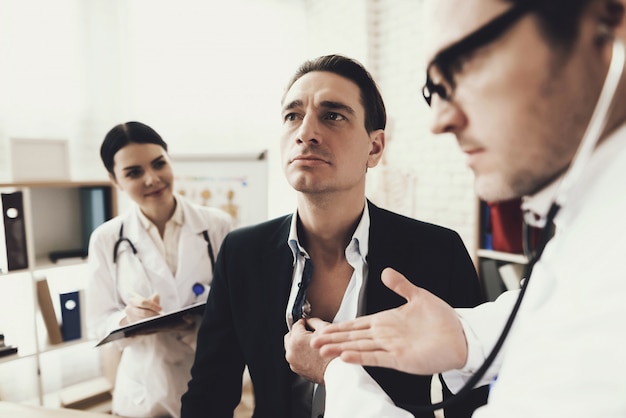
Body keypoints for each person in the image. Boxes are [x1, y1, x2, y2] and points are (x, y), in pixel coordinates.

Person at [312, 0, 626, 417]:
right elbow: (542, 305)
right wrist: (467, 336)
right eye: (434, 89)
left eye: (463, 64)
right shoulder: (590, 224)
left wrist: (337, 371)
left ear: (609, 19)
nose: (438, 120)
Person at [181, 54, 488, 418]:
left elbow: (473, 398)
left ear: (374, 148)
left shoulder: (439, 252)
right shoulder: (242, 252)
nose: (305, 132)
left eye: (332, 115)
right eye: (292, 115)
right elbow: (209, 393)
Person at [86, 121, 233, 417]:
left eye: (159, 164)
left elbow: (238, 304)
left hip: (206, 378)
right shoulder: (106, 239)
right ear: (114, 179)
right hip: (144, 391)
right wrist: (129, 317)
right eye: (134, 172)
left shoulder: (216, 226)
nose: (152, 179)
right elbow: (98, 322)